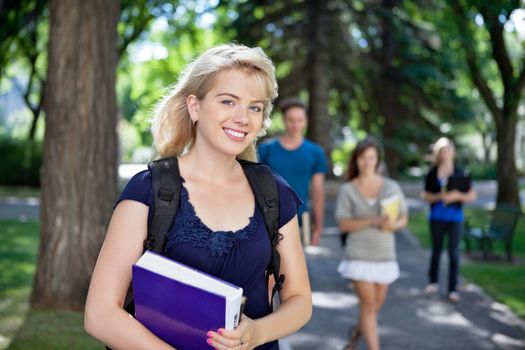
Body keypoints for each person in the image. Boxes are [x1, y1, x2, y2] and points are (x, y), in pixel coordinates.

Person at [84, 43, 312, 350]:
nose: (243, 118)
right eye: (228, 101)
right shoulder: (148, 192)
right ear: (195, 106)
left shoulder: (274, 193)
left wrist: (256, 332)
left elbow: (299, 301)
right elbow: (100, 314)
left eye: (255, 107)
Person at [335, 137, 408, 350]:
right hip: (358, 254)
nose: (366, 162)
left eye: (371, 158)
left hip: (384, 254)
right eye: (362, 158)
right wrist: (374, 220)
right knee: (367, 306)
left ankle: (357, 333)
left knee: (374, 307)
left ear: (377, 160)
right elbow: (343, 224)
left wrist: (394, 225)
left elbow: (403, 217)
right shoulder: (348, 190)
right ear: (356, 160)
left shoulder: (391, 186)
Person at [258, 97, 328, 246]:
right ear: (283, 120)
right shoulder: (266, 150)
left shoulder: (315, 153)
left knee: (299, 267)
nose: (295, 125)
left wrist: (319, 226)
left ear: (306, 121)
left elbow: (318, 191)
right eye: (291, 120)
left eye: (299, 120)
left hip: (301, 220)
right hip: (269, 220)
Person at [422, 137, 476, 303]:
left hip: (455, 218)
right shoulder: (432, 173)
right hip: (437, 217)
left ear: (453, 152)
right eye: (442, 151)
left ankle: (453, 288)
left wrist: (457, 195)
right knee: (436, 251)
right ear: (438, 154)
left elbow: (472, 196)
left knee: (454, 253)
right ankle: (433, 281)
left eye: (448, 150)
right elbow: (425, 195)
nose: (446, 153)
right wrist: (440, 196)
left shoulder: (461, 173)